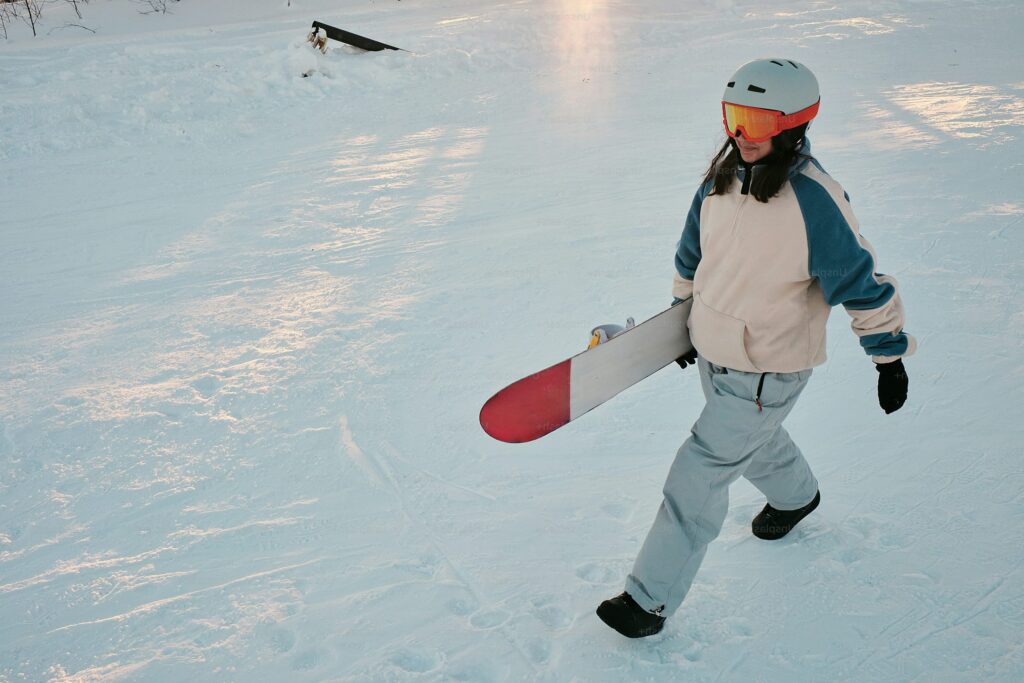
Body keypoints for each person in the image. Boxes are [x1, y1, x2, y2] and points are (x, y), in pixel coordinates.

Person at [596, 58, 916, 638]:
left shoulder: (814, 199)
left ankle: (647, 601)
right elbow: (691, 255)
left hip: (769, 364)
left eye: (757, 120)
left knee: (700, 471)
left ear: (794, 123)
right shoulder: (719, 182)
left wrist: (888, 357)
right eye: (734, 117)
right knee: (755, 440)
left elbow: (860, 281)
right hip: (716, 349)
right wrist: (682, 318)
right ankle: (797, 498)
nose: (741, 135)